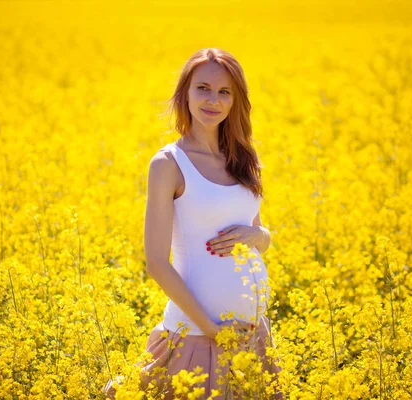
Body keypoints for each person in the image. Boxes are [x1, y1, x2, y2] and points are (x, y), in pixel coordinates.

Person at [103, 48, 281, 399]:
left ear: (235, 101)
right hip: (197, 336)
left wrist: (257, 235)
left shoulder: (245, 160)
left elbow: (260, 234)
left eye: (224, 92)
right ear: (185, 93)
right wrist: (211, 329)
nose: (212, 100)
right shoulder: (169, 163)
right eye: (203, 88)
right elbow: (155, 261)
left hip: (252, 334)